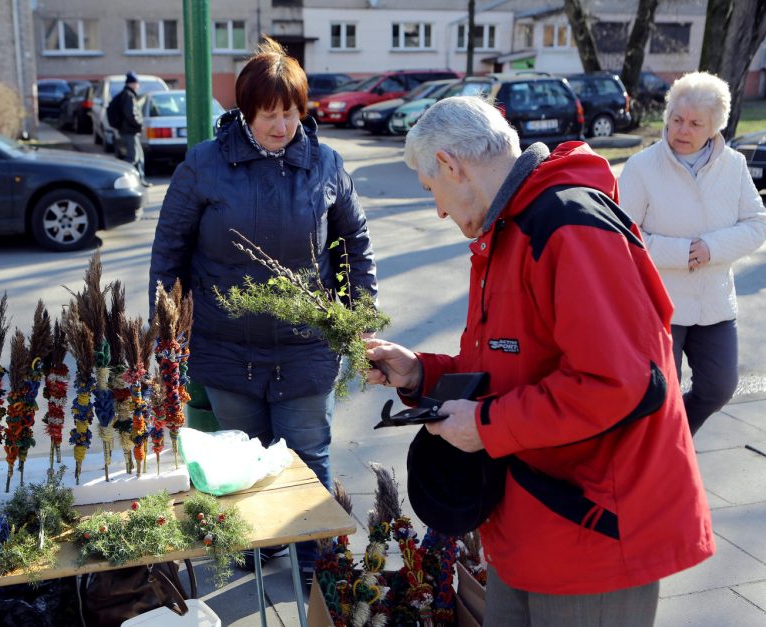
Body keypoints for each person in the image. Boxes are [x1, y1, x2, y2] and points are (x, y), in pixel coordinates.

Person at [366, 96, 714, 625]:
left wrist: (485, 424)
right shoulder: (509, 226)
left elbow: (621, 383)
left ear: (449, 166)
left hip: (594, 537)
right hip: (532, 521)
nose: (437, 209)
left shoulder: (565, 223)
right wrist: (420, 373)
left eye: (430, 191)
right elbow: (503, 366)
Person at [149, 38, 377, 576]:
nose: (281, 126)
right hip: (227, 351)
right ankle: (261, 546)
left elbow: (355, 244)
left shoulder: (325, 165)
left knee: (307, 459)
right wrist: (167, 335)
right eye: (268, 115)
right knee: (243, 465)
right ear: (245, 112)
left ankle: (311, 564)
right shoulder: (204, 166)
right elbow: (169, 254)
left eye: (291, 112)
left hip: (306, 350)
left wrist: (358, 319)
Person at [619, 71, 766, 436]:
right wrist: (683, 253)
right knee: (657, 395)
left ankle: (673, 441)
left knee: (719, 387)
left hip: (714, 302)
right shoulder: (641, 167)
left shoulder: (733, 164)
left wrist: (710, 248)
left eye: (695, 123)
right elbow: (623, 235)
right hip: (659, 304)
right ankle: (659, 461)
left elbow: (757, 223)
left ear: (715, 127)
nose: (682, 130)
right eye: (677, 120)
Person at [117, 71, 151, 187]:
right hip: (129, 131)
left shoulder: (127, 94)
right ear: (132, 83)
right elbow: (131, 114)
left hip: (130, 131)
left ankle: (140, 179)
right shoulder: (128, 95)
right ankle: (120, 176)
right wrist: (139, 125)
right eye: (137, 83)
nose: (138, 86)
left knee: (139, 156)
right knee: (133, 157)